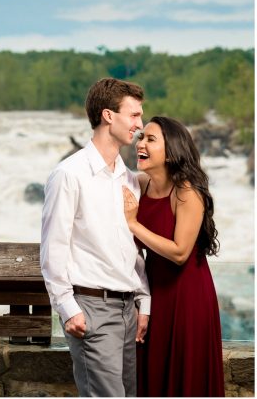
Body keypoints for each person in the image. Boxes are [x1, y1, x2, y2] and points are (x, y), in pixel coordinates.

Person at [41, 77, 152, 396]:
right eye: (133, 115)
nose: (139, 124)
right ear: (108, 116)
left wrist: (143, 301)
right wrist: (66, 307)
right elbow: (53, 248)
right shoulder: (68, 174)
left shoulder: (129, 179)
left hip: (127, 310)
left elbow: (131, 249)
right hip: (91, 307)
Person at [122, 116, 224, 396]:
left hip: (187, 296)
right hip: (153, 292)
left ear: (172, 150)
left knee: (184, 373)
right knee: (152, 371)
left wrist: (134, 225)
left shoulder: (187, 192)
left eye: (150, 139)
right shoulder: (141, 185)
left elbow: (180, 252)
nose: (140, 143)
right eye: (141, 137)